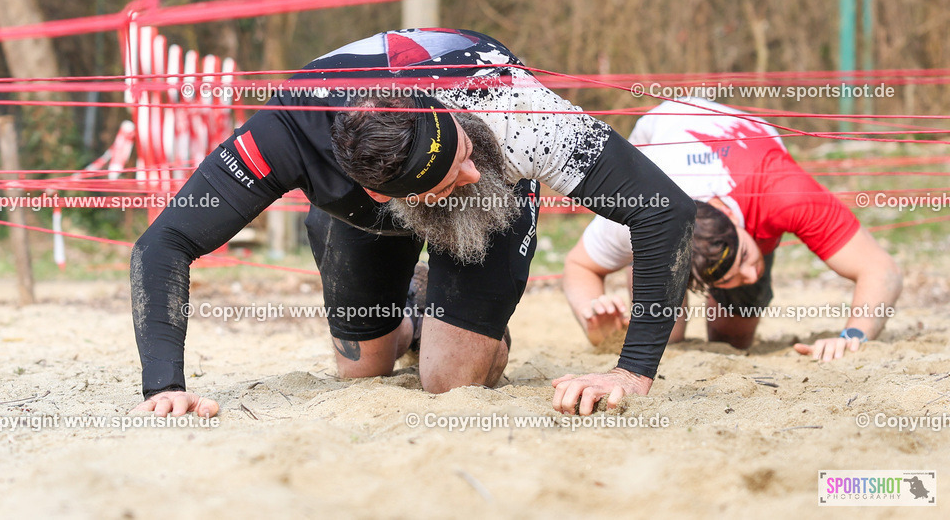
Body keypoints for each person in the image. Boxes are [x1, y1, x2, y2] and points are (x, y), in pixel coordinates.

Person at [129, 28, 695, 419]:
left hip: (495, 200)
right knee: (364, 371)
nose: (469, 173)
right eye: (449, 179)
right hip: (359, 218)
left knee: (451, 382)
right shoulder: (284, 132)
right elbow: (165, 243)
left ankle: (456, 313)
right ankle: (414, 312)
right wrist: (165, 388)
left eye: (464, 151)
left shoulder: (516, 112)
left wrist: (631, 372)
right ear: (379, 191)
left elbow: (664, 210)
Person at [563, 97, 901, 361]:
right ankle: (653, 280)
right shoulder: (641, 211)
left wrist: (853, 336)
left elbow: (880, 268)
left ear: (733, 218)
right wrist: (595, 322)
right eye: (730, 274)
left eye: (744, 257)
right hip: (659, 158)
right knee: (665, 339)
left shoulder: (783, 193)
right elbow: (578, 265)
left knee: (733, 340)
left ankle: (728, 278)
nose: (751, 273)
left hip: (744, 165)